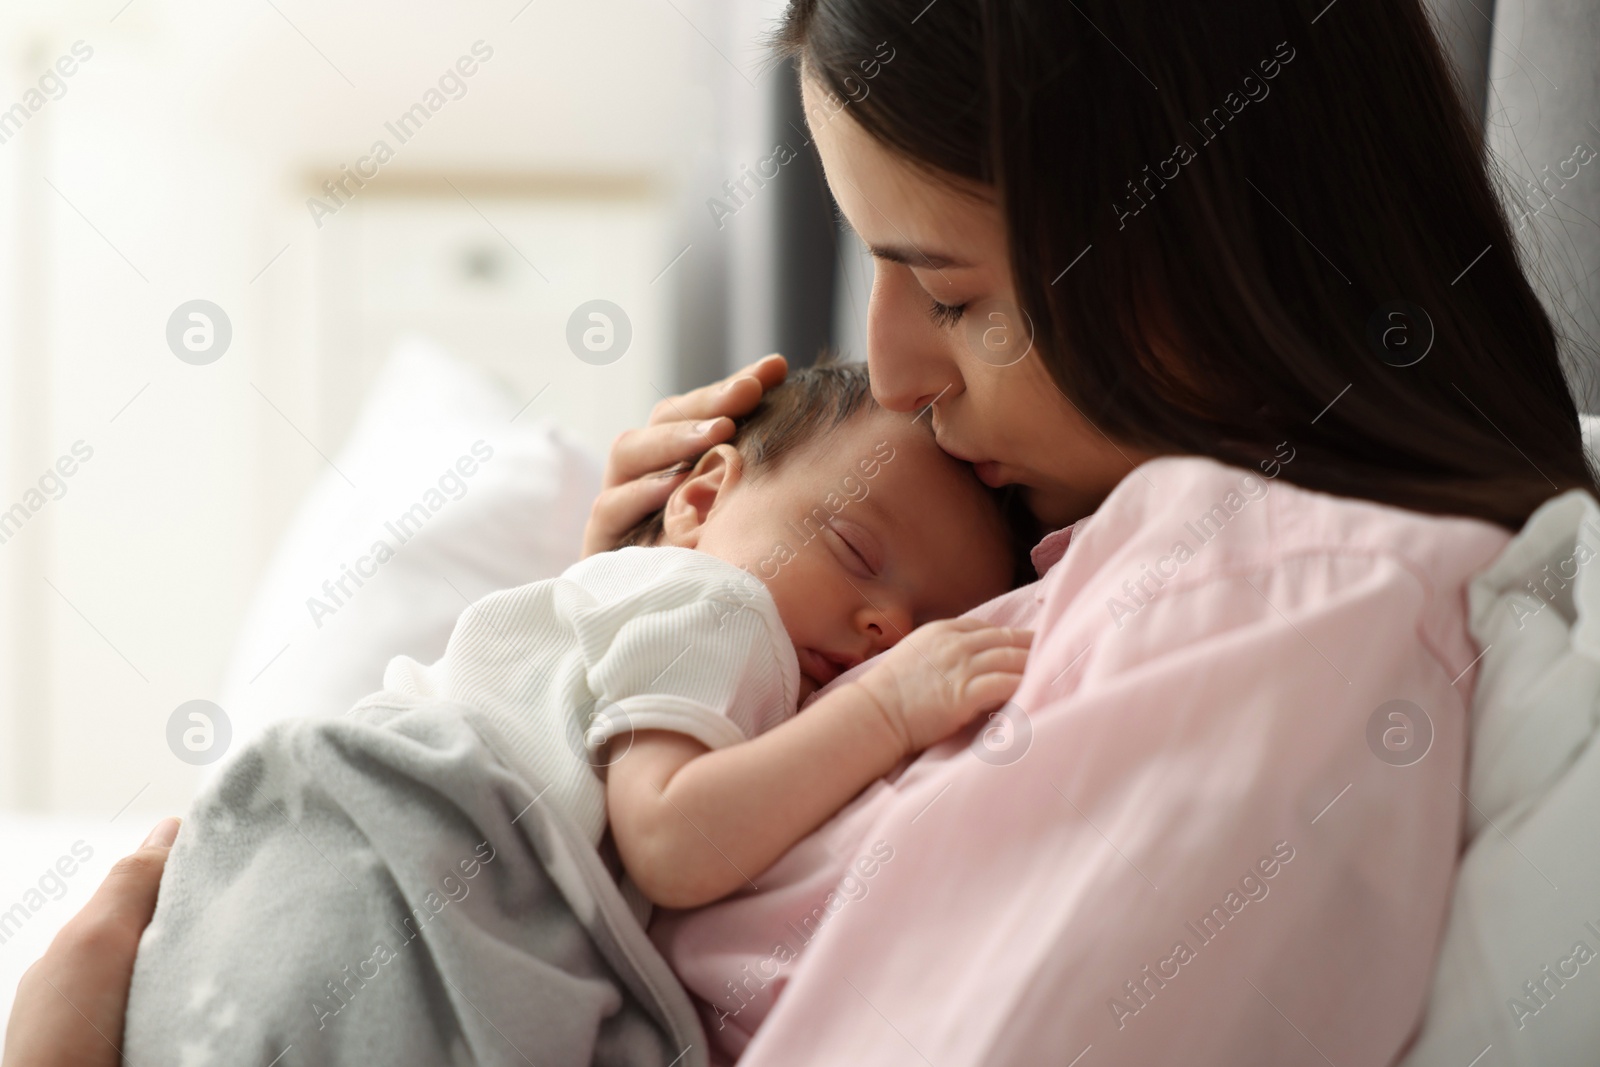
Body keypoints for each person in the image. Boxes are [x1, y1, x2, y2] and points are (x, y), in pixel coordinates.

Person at [10, 0, 1596, 1063]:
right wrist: (622, 626)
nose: (897, 369)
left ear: (1197, 246)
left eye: (955, 293)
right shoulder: (1082, 563)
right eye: (879, 277)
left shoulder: (1268, 595)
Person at [117, 363, 1030, 1062]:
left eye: (930, 627)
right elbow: (673, 837)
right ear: (702, 496)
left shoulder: (646, 627)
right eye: (855, 547)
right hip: (388, 853)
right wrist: (889, 703)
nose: (889, 625)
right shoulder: (717, 603)